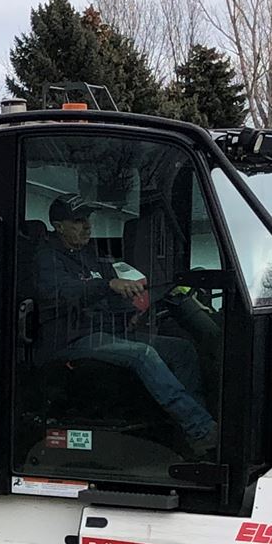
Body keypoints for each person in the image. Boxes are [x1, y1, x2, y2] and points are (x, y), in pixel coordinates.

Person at [27, 195, 219, 455]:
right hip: (68, 340)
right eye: (78, 221)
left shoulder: (90, 255)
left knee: (182, 350)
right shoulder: (46, 258)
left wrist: (131, 312)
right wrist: (107, 285)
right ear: (58, 225)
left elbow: (113, 294)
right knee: (143, 354)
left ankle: (189, 430)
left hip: (104, 332)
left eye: (88, 220)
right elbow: (63, 293)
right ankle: (201, 428)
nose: (87, 226)